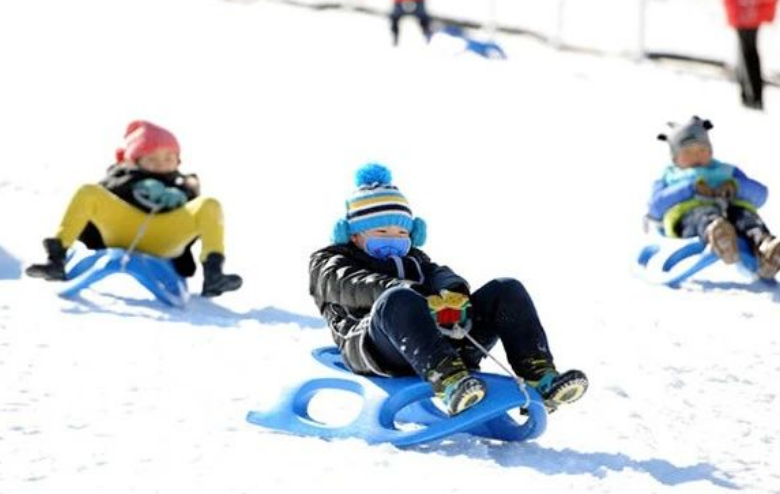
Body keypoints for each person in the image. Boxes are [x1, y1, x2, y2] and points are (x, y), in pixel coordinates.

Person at [309, 163, 588, 416]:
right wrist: (409, 291)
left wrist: (453, 294)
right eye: (382, 232)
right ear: (354, 234)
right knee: (397, 299)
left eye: (402, 233)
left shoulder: (415, 260)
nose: (394, 239)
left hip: (445, 342)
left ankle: (539, 375)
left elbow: (439, 274)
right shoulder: (329, 261)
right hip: (377, 349)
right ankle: (449, 383)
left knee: (506, 289)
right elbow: (348, 284)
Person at [26, 120, 243, 297]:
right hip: (122, 231)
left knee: (210, 204)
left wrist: (185, 194)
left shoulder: (184, 184)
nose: (161, 163)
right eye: (152, 158)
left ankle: (214, 274)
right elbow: (108, 190)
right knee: (88, 191)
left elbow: (194, 214)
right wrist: (133, 186)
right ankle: (56, 259)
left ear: (178, 160)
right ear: (136, 159)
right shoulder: (122, 176)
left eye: (169, 157)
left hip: (165, 238)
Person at [647, 116, 780, 279]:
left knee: (747, 217)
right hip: (689, 219)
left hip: (732, 214)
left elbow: (761, 195)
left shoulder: (726, 171)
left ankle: (766, 249)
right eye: (687, 152)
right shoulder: (670, 177)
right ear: (675, 158)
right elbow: (655, 207)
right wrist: (691, 188)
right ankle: (719, 235)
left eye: (701, 150)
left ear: (710, 151)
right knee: (704, 214)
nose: (696, 156)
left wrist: (735, 186)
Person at [722, 0, 778, 110]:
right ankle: (750, 95)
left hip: (748, 15)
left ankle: (752, 95)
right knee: (747, 52)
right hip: (746, 15)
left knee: (748, 53)